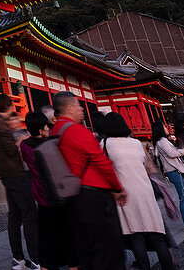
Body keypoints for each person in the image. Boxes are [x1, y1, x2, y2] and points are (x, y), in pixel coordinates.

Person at [51, 91, 126, 270]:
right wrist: (117, 187)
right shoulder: (77, 130)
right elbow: (100, 160)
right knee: (107, 249)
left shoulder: (56, 131)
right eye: (78, 105)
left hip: (72, 196)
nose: (82, 108)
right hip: (93, 195)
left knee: (85, 248)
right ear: (69, 108)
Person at [101, 112, 177, 270]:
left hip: (125, 193)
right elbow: (145, 165)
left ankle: (144, 267)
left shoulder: (105, 144)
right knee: (157, 236)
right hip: (145, 190)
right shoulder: (137, 143)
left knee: (136, 237)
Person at [19, 110, 77, 270]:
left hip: (40, 194)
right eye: (45, 125)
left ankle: (48, 265)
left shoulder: (24, 146)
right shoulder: (52, 144)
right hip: (59, 193)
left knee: (46, 235)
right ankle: (72, 264)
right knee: (67, 232)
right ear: (40, 129)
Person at [0, 95, 37, 270]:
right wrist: (21, 141)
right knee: (29, 215)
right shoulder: (1, 125)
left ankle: (18, 258)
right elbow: (10, 150)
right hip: (16, 174)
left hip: (8, 174)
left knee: (15, 215)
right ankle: (36, 259)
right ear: (10, 106)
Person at [150, 122, 184, 235]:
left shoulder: (159, 142)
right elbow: (172, 153)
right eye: (165, 127)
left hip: (173, 170)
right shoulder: (163, 141)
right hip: (175, 170)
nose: (167, 128)